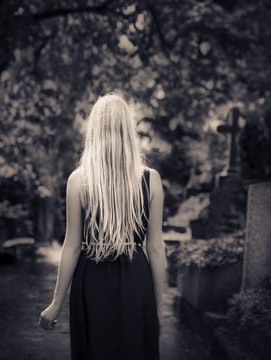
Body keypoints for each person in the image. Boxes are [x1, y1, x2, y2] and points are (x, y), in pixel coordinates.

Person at [39, 93, 166, 360]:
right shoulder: (151, 180)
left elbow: (72, 245)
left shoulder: (78, 180)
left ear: (94, 130)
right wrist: (158, 307)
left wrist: (56, 304)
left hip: (91, 279)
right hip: (136, 278)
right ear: (128, 130)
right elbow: (155, 248)